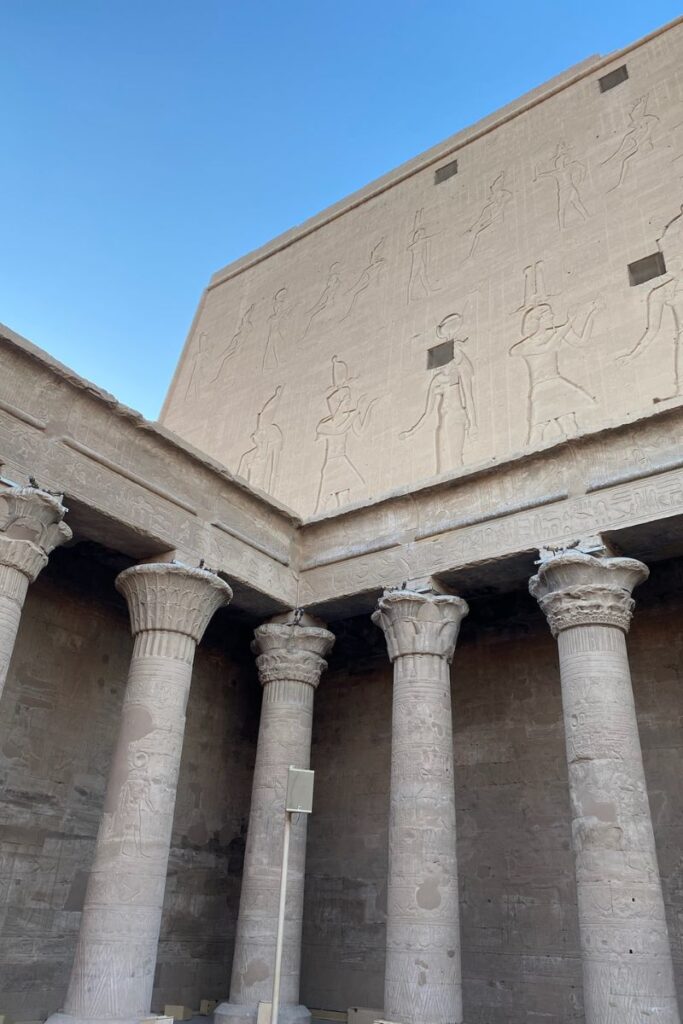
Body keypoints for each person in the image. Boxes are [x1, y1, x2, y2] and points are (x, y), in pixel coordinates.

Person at [509, 300, 598, 444]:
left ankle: (581, 454)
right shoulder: (525, 345)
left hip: (556, 383)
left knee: (569, 423)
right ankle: (531, 458)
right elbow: (546, 347)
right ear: (539, 320)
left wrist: (591, 315)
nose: (552, 316)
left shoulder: (554, 333)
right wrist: (568, 324)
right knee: (538, 428)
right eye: (549, 315)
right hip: (541, 388)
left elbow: (581, 341)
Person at [400, 313, 476, 473]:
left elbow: (468, 397)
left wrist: (473, 424)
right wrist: (411, 432)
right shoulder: (437, 380)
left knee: (455, 461)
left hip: (456, 418)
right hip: (444, 422)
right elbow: (427, 412)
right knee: (441, 468)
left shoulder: (460, 369)